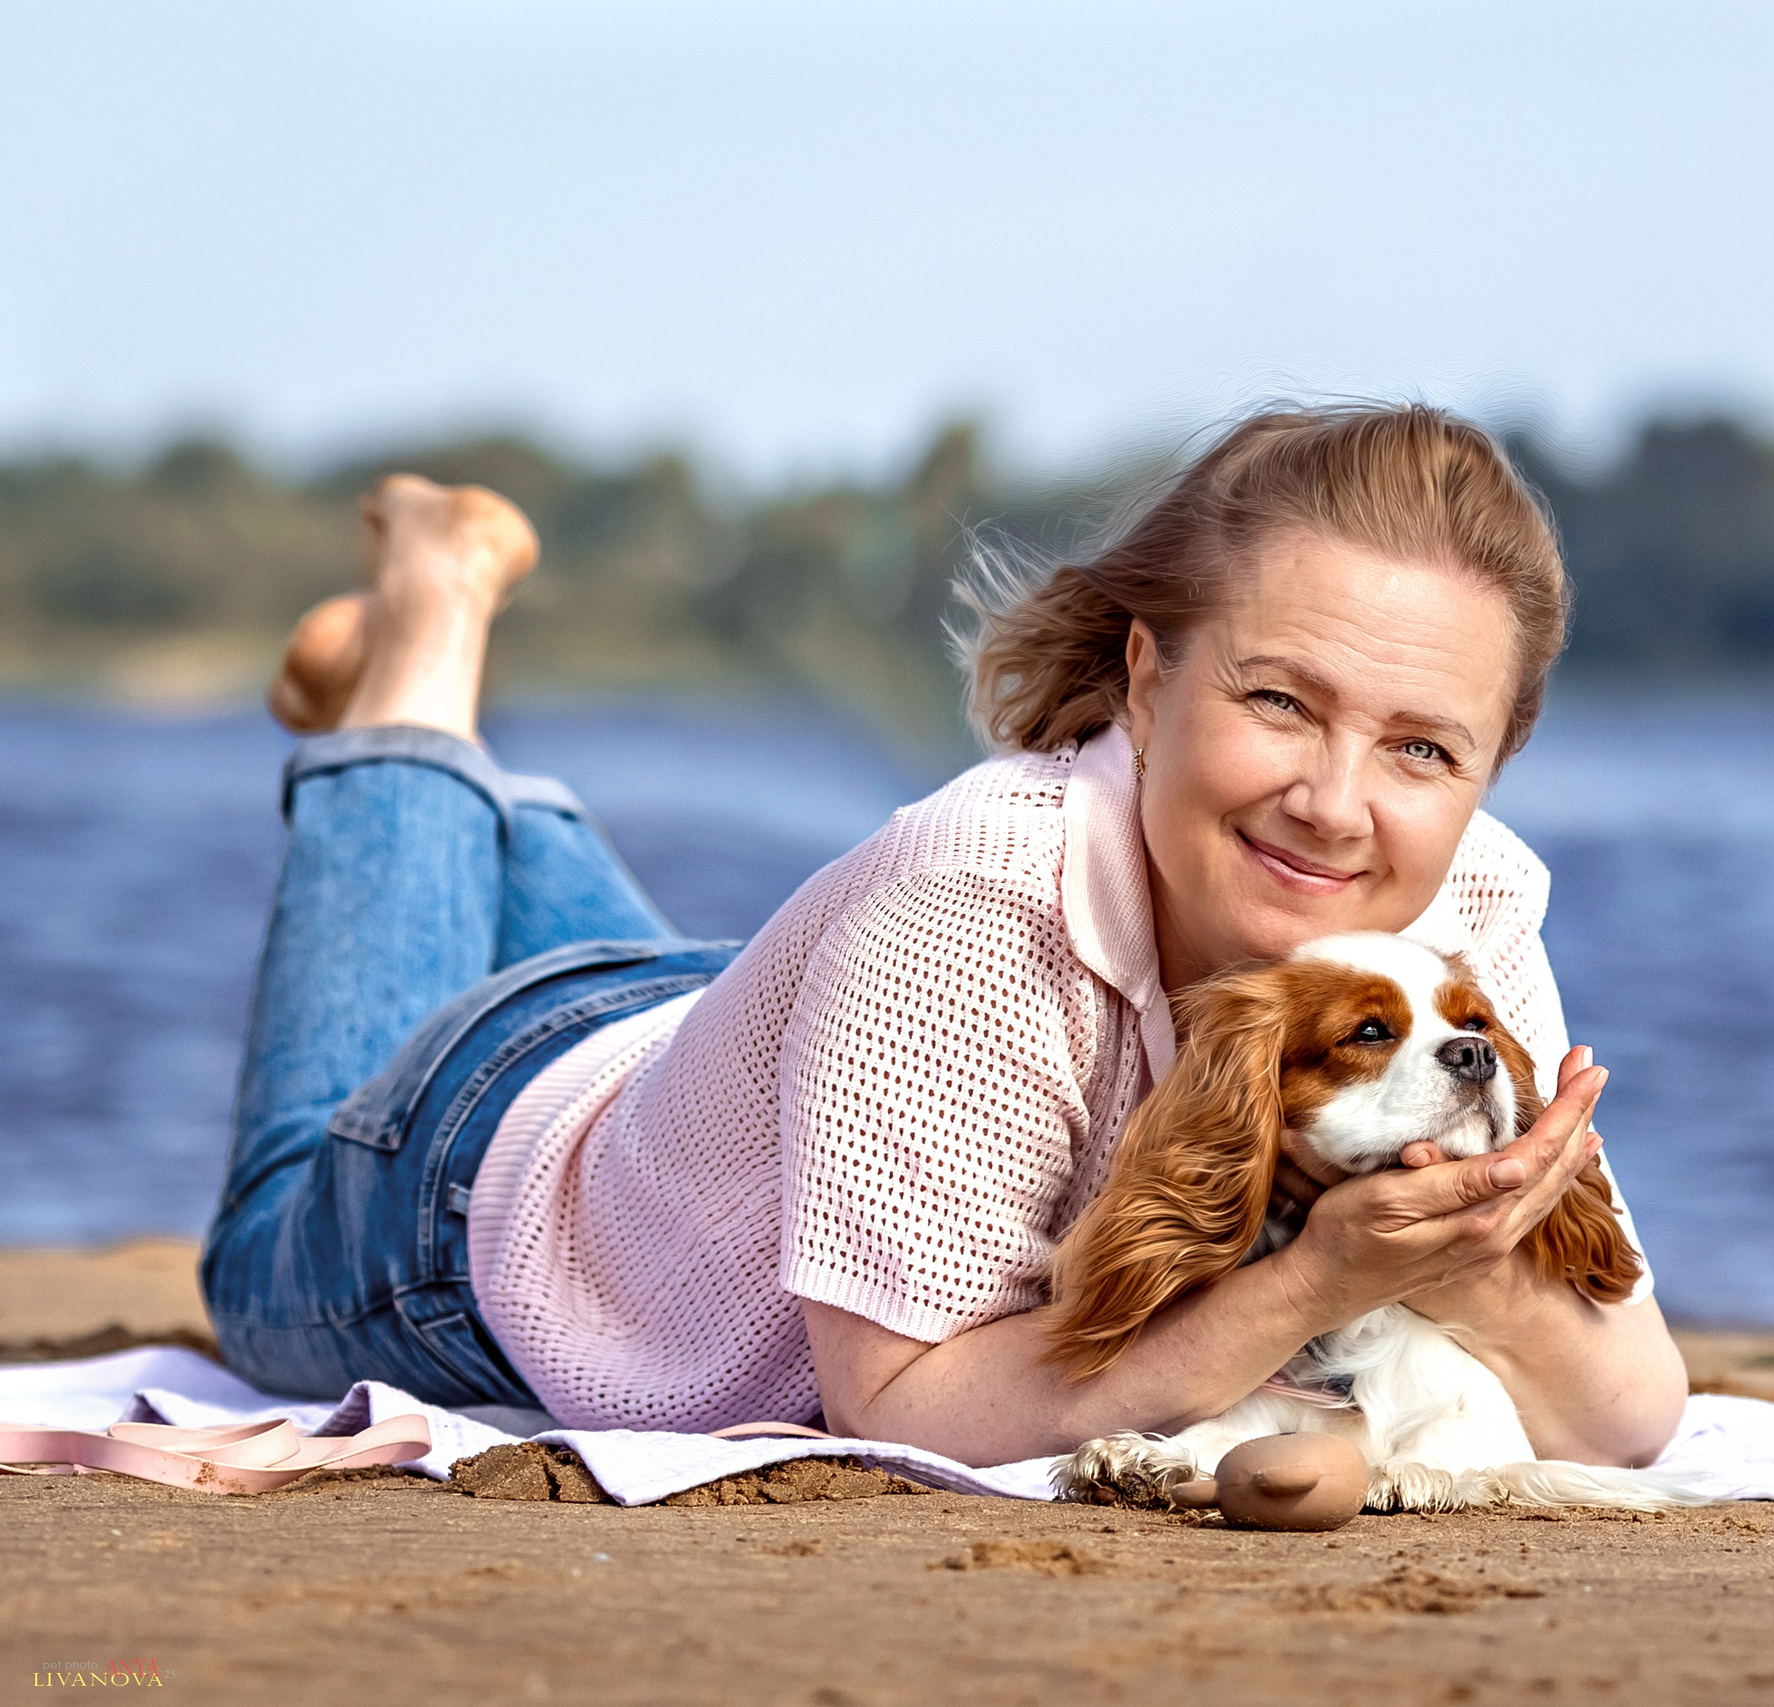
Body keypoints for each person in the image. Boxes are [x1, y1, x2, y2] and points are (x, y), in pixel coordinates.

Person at [205, 405, 1689, 1469]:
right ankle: (424, 637)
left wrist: (1464, 1260)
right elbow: (903, 1412)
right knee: (263, 1235)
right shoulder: (968, 899)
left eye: (1425, 750)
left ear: (1488, 771)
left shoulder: (1463, 908)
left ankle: (477, 789)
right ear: (1148, 680)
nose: (1337, 805)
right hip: (494, 1193)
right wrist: (1311, 1287)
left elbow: (1624, 1408)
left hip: (716, 1042)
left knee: (732, 990)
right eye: (1281, 702)